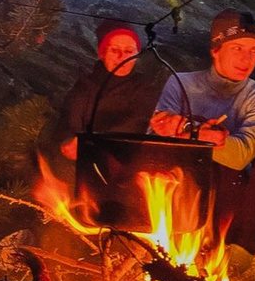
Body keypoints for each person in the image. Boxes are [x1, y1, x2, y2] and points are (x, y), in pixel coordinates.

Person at [44, 15, 170, 220]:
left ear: (137, 54)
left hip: (134, 183)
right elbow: (64, 131)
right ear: (102, 53)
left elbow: (150, 131)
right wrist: (68, 146)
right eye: (115, 50)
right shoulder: (84, 89)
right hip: (89, 182)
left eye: (129, 51)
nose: (122, 57)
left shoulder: (146, 90)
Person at [151, 9, 255, 171]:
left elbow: (241, 156)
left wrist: (187, 129)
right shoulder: (180, 83)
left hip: (229, 183)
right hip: (175, 178)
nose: (247, 59)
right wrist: (201, 134)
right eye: (237, 48)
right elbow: (156, 133)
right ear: (215, 50)